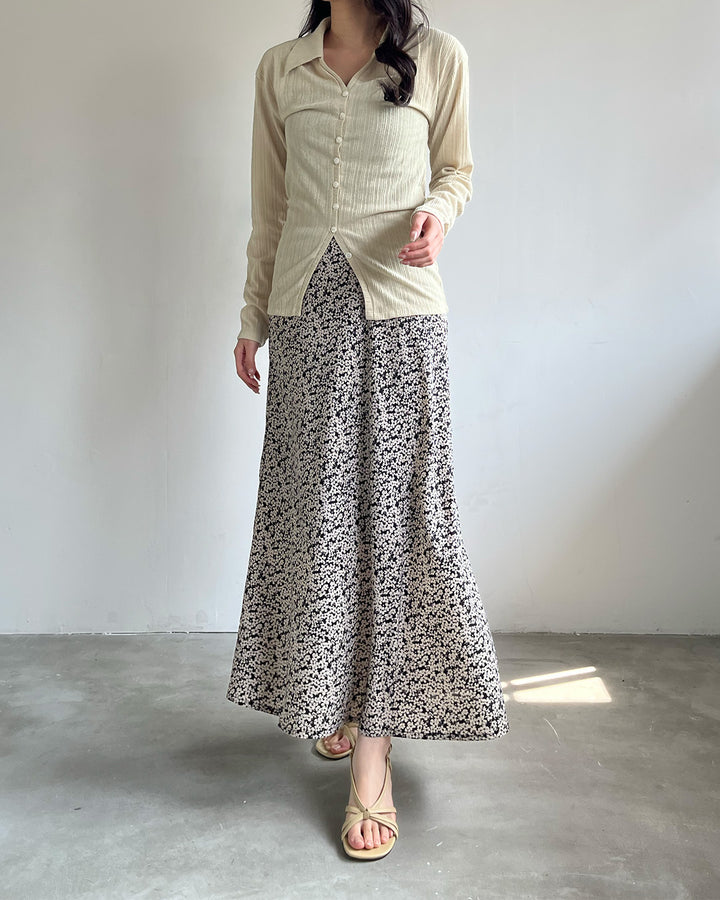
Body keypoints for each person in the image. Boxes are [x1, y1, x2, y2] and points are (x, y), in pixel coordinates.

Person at [226, 0, 510, 861]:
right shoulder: (281, 69)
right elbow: (271, 208)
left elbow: (458, 169)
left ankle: (374, 756)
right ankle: (336, 698)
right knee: (318, 522)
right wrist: (252, 316)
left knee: (398, 522)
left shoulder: (438, 55)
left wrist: (439, 213)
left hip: (402, 318)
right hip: (307, 316)